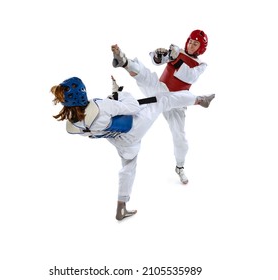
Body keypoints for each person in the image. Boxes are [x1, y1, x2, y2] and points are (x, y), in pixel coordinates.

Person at [50, 56, 214, 221]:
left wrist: (114, 96)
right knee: (163, 99)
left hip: (120, 143)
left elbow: (101, 116)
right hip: (134, 128)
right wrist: (121, 93)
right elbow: (132, 107)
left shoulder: (74, 126)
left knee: (128, 167)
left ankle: (121, 207)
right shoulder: (101, 107)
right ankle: (200, 100)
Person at [113, 30, 211, 184]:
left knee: (180, 137)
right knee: (145, 75)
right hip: (160, 89)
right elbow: (156, 59)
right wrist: (159, 56)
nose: (191, 45)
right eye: (191, 41)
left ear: (201, 48)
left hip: (177, 102)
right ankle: (124, 62)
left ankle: (180, 167)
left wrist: (174, 59)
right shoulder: (176, 50)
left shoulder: (201, 65)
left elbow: (189, 76)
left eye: (196, 43)